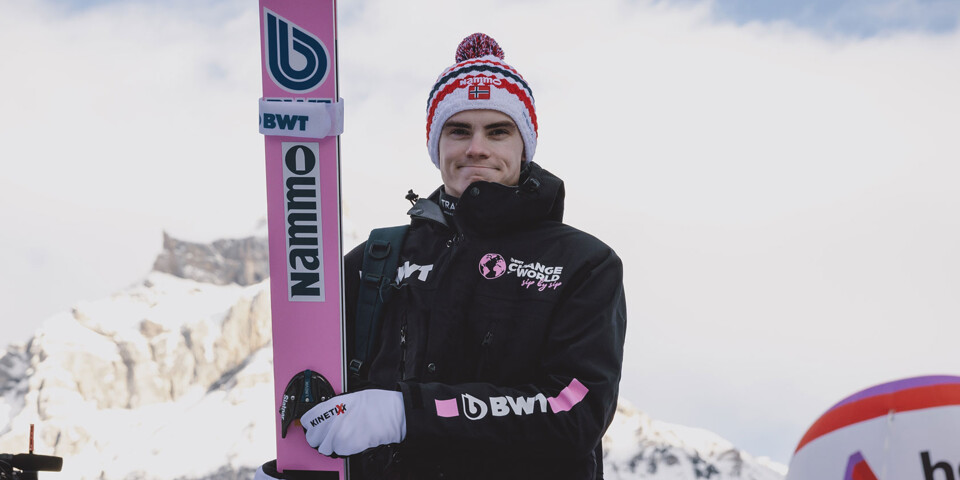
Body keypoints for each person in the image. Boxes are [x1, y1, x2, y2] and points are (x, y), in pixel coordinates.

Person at [265, 32, 627, 479]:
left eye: (498, 131)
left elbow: (573, 411)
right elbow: (327, 403)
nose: (477, 147)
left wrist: (406, 413)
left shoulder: (583, 264)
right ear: (437, 144)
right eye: (459, 130)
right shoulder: (374, 260)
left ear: (524, 144)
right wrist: (303, 471)